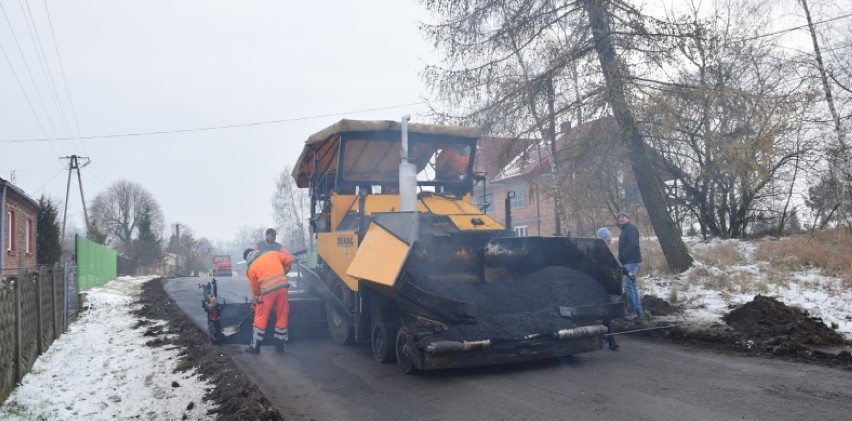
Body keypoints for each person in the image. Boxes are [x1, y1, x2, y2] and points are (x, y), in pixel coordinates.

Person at [242, 247, 294, 354]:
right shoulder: (272, 254)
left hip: (267, 291)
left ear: (247, 259)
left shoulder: (251, 268)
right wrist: (286, 268)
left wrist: (255, 301)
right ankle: (280, 345)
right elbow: (289, 258)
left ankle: (255, 346)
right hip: (283, 287)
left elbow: (255, 288)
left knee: (261, 316)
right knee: (282, 314)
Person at [596, 225, 620, 350]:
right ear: (602, 239)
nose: (610, 241)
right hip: (598, 288)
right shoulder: (596, 253)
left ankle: (610, 339)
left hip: (606, 287)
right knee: (606, 313)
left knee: (608, 313)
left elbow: (617, 266)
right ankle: (610, 339)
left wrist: (627, 273)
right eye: (608, 239)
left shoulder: (609, 252)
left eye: (610, 239)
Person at [616, 211, 643, 320]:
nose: (621, 219)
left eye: (623, 217)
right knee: (632, 286)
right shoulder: (625, 229)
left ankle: (633, 311)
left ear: (628, 218)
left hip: (630, 262)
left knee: (628, 286)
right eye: (619, 218)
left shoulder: (630, 229)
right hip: (629, 261)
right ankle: (638, 310)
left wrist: (623, 255)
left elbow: (633, 244)